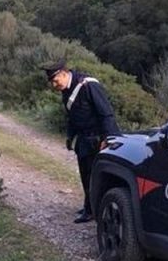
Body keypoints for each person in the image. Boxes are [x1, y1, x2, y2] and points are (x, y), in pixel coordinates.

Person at [43, 59, 120, 223]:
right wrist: (70, 137)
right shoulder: (67, 89)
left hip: (98, 139)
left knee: (96, 177)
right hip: (84, 140)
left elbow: (106, 113)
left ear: (64, 74)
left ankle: (95, 210)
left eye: (55, 81)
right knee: (85, 175)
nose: (54, 85)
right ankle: (90, 206)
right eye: (52, 82)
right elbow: (72, 116)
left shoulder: (88, 85)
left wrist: (109, 138)